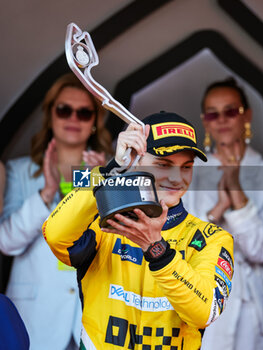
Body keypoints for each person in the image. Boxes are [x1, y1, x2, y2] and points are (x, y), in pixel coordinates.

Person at [43, 111, 234, 350]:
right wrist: (113, 170)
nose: (176, 178)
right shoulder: (105, 223)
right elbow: (55, 236)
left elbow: (204, 312)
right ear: (135, 160)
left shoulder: (212, 238)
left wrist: (157, 250)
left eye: (186, 167)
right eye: (163, 164)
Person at [0, 72, 113, 350]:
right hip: (36, 315)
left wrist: (103, 187)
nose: (73, 119)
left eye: (84, 113)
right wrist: (46, 192)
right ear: (51, 116)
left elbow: (120, 241)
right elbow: (6, 241)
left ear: (95, 123)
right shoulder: (20, 171)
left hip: (92, 314)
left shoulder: (111, 172)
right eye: (64, 110)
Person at [183, 77, 263, 350]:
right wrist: (219, 209)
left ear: (247, 115)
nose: (221, 119)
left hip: (253, 307)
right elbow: (188, 245)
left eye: (230, 111)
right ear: (205, 121)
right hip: (201, 294)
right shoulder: (191, 173)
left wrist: (236, 192)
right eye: (213, 113)